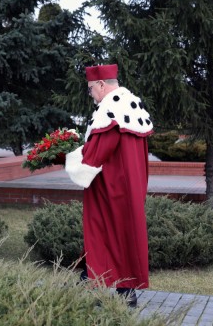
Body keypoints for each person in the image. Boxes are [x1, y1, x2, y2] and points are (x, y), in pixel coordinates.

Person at [65, 64, 153, 308]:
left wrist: (69, 157)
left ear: (102, 84)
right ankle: (123, 291)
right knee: (126, 236)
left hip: (108, 188)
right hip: (131, 187)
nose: (91, 94)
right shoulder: (132, 104)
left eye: (91, 88)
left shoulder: (110, 109)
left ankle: (98, 288)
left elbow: (96, 154)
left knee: (102, 237)